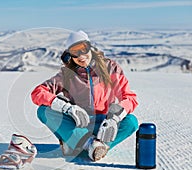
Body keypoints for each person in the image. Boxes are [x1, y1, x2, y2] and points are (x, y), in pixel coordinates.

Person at [31, 30, 138, 161]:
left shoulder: (111, 68)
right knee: (43, 111)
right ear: (70, 55)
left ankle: (94, 146)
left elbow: (129, 98)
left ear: (90, 47)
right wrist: (67, 108)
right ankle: (88, 144)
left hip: (105, 125)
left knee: (131, 122)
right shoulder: (67, 75)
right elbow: (38, 92)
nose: (81, 56)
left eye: (83, 49)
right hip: (79, 124)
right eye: (75, 52)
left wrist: (115, 117)